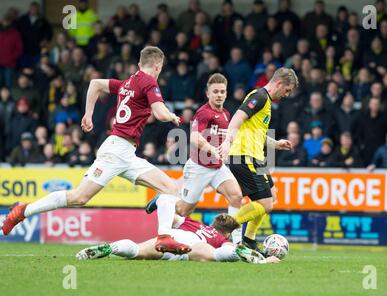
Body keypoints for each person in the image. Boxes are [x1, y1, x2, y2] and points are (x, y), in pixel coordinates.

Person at [1, 46, 191, 255]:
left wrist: (88, 114)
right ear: (158, 65)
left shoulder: (129, 82)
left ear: (139, 64)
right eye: (160, 68)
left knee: (170, 189)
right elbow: (160, 113)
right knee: (79, 198)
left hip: (126, 152)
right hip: (116, 150)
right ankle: (23, 211)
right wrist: (172, 116)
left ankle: (164, 237)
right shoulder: (149, 81)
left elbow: (95, 84)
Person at [146, 73, 244, 243]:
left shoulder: (227, 114)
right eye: (215, 92)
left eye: (222, 91)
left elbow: (228, 136)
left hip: (217, 167)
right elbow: (194, 137)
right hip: (199, 167)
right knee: (184, 210)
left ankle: (236, 242)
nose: (219, 95)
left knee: (236, 196)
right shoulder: (203, 113)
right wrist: (211, 149)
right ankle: (163, 200)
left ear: (226, 93)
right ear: (208, 94)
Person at [219, 67, 298, 251]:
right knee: (265, 203)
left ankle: (249, 239)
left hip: (256, 157)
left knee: (272, 195)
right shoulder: (260, 96)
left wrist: (275, 144)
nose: (286, 95)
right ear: (279, 83)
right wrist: (228, 141)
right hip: (244, 155)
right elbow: (238, 116)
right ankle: (222, 228)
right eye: (287, 90)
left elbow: (257, 133)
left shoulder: (267, 102)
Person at [76, 211, 279, 264]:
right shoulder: (221, 238)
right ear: (226, 232)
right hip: (195, 247)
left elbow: (170, 216)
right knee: (220, 254)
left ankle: (111, 248)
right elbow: (219, 245)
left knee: (137, 251)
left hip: (173, 237)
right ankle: (256, 259)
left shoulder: (192, 221)